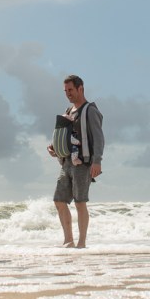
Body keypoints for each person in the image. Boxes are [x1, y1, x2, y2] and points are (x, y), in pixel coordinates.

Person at [46, 74, 104, 248]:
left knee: (80, 202)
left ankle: (82, 243)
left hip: (83, 164)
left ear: (81, 88)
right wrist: (55, 149)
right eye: (65, 91)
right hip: (66, 164)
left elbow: (99, 137)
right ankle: (68, 241)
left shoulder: (90, 110)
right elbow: (65, 137)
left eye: (70, 90)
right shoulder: (68, 111)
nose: (68, 93)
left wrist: (97, 161)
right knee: (59, 201)